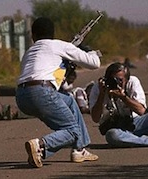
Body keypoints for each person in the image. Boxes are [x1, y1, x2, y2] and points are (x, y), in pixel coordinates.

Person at [15, 17, 101, 168]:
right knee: (73, 131)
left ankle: (79, 150)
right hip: (42, 92)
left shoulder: (30, 51)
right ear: (53, 34)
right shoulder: (59, 45)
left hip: (22, 96)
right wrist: (89, 51)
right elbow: (94, 63)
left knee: (69, 100)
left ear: (33, 36)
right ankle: (40, 144)